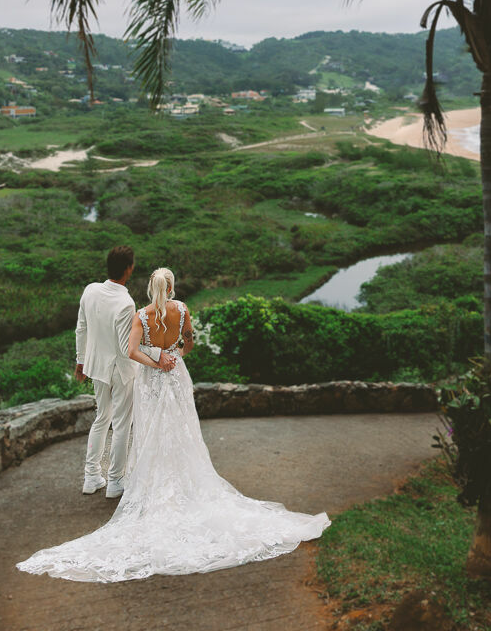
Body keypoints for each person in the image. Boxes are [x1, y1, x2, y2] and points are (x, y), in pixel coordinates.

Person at [17, 267, 329, 581]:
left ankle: (148, 480)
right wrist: (174, 355)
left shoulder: (142, 315)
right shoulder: (182, 310)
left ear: (150, 288)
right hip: (177, 375)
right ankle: (183, 479)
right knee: (182, 429)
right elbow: (189, 341)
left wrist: (156, 361)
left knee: (152, 430)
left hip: (152, 380)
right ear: (172, 287)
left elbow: (131, 351)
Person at [73, 245, 176, 499]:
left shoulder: (90, 291)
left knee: (101, 418)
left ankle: (91, 476)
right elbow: (127, 347)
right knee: (121, 425)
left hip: (96, 367)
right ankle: (115, 481)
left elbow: (81, 329)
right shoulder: (125, 303)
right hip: (120, 371)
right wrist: (157, 356)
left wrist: (80, 362)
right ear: (129, 269)